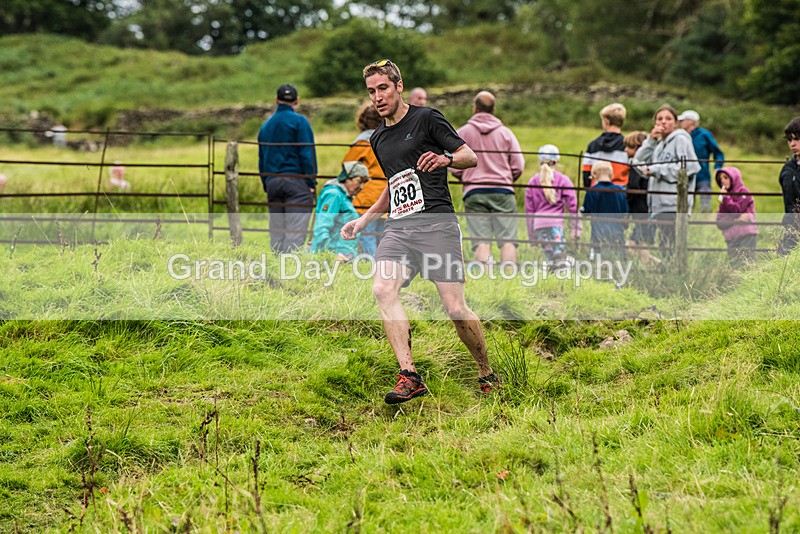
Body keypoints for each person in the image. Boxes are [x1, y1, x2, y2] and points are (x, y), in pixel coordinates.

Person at [340, 59, 498, 404]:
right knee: (382, 289)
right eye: (371, 91)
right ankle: (409, 375)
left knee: (455, 308)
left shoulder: (427, 118)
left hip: (436, 223)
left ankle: (486, 370)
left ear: (398, 86)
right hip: (398, 228)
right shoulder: (379, 137)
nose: (377, 97)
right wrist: (364, 220)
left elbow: (469, 156)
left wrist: (444, 160)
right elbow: (393, 185)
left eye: (383, 88)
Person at [451, 91, 525, 267]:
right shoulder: (505, 133)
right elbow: (518, 165)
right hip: (503, 191)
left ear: (475, 108)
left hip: (474, 191)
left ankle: (484, 279)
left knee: (481, 240)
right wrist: (505, 178)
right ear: (493, 109)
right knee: (507, 240)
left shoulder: (463, 132)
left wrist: (465, 177)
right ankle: (509, 279)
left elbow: (453, 163)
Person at [258, 83, 318, 253]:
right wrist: (311, 181)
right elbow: (306, 153)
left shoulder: (266, 126)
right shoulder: (300, 122)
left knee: (277, 232)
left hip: (273, 182)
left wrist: (267, 182)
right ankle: (290, 272)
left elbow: (262, 158)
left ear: (277, 100)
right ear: (297, 101)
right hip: (296, 181)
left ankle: (275, 269)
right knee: (295, 232)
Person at [634, 104, 701, 257]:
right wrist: (651, 140)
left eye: (668, 119)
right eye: (659, 119)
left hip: (674, 203)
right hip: (658, 204)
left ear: (676, 122)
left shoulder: (681, 140)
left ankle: (676, 276)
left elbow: (690, 167)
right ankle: (668, 276)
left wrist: (656, 170)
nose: (663, 122)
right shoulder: (658, 145)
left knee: (672, 246)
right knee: (665, 246)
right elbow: (637, 160)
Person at [524, 145, 580, 269]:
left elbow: (529, 212)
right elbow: (573, 207)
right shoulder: (563, 180)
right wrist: (576, 230)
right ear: (557, 161)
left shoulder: (532, 182)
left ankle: (549, 280)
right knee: (560, 257)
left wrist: (532, 237)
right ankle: (560, 282)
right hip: (556, 226)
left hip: (539, 226)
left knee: (549, 258)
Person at [344, 102, 386, 256]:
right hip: (386, 198)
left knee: (367, 236)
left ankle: (372, 269)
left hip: (366, 198)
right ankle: (384, 270)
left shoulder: (362, 142)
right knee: (383, 237)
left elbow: (347, 168)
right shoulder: (388, 140)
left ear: (362, 120)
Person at [311, 162, 370, 261]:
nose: (362, 187)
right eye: (359, 181)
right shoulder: (334, 195)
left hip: (344, 258)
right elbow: (321, 227)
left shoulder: (344, 197)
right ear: (347, 178)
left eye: (364, 183)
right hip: (334, 259)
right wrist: (331, 256)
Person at [679, 110, 725, 213]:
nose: (680, 123)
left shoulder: (704, 135)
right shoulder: (680, 136)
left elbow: (718, 153)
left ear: (690, 122)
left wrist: (718, 167)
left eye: (682, 120)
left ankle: (705, 226)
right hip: (685, 175)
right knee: (685, 206)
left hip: (702, 175)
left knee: (705, 206)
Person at [624, 131, 659, 265]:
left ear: (639, 148)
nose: (626, 150)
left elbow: (632, 188)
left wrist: (626, 205)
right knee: (634, 244)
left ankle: (653, 268)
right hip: (648, 210)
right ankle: (656, 265)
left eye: (629, 147)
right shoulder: (650, 166)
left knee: (642, 244)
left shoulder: (636, 167)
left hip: (641, 211)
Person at [583, 161, 629, 260]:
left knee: (598, 260)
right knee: (618, 259)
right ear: (611, 174)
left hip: (598, 233)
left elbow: (586, 212)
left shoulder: (592, 191)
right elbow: (625, 211)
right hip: (617, 232)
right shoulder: (620, 191)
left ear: (594, 175)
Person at [715, 167, 757, 264]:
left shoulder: (744, 192)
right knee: (734, 268)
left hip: (746, 236)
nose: (723, 181)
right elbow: (720, 222)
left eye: (725, 178)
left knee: (747, 266)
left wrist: (726, 199)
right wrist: (735, 220)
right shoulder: (724, 199)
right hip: (731, 239)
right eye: (720, 179)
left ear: (734, 177)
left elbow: (737, 210)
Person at [581, 103, 629, 188]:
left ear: (606, 121)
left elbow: (586, 173)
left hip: (597, 191)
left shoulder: (593, 146)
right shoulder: (628, 146)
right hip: (620, 192)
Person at [778, 117, 800, 256]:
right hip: (792, 229)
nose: (792, 144)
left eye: (797, 139)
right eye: (789, 140)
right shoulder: (787, 170)